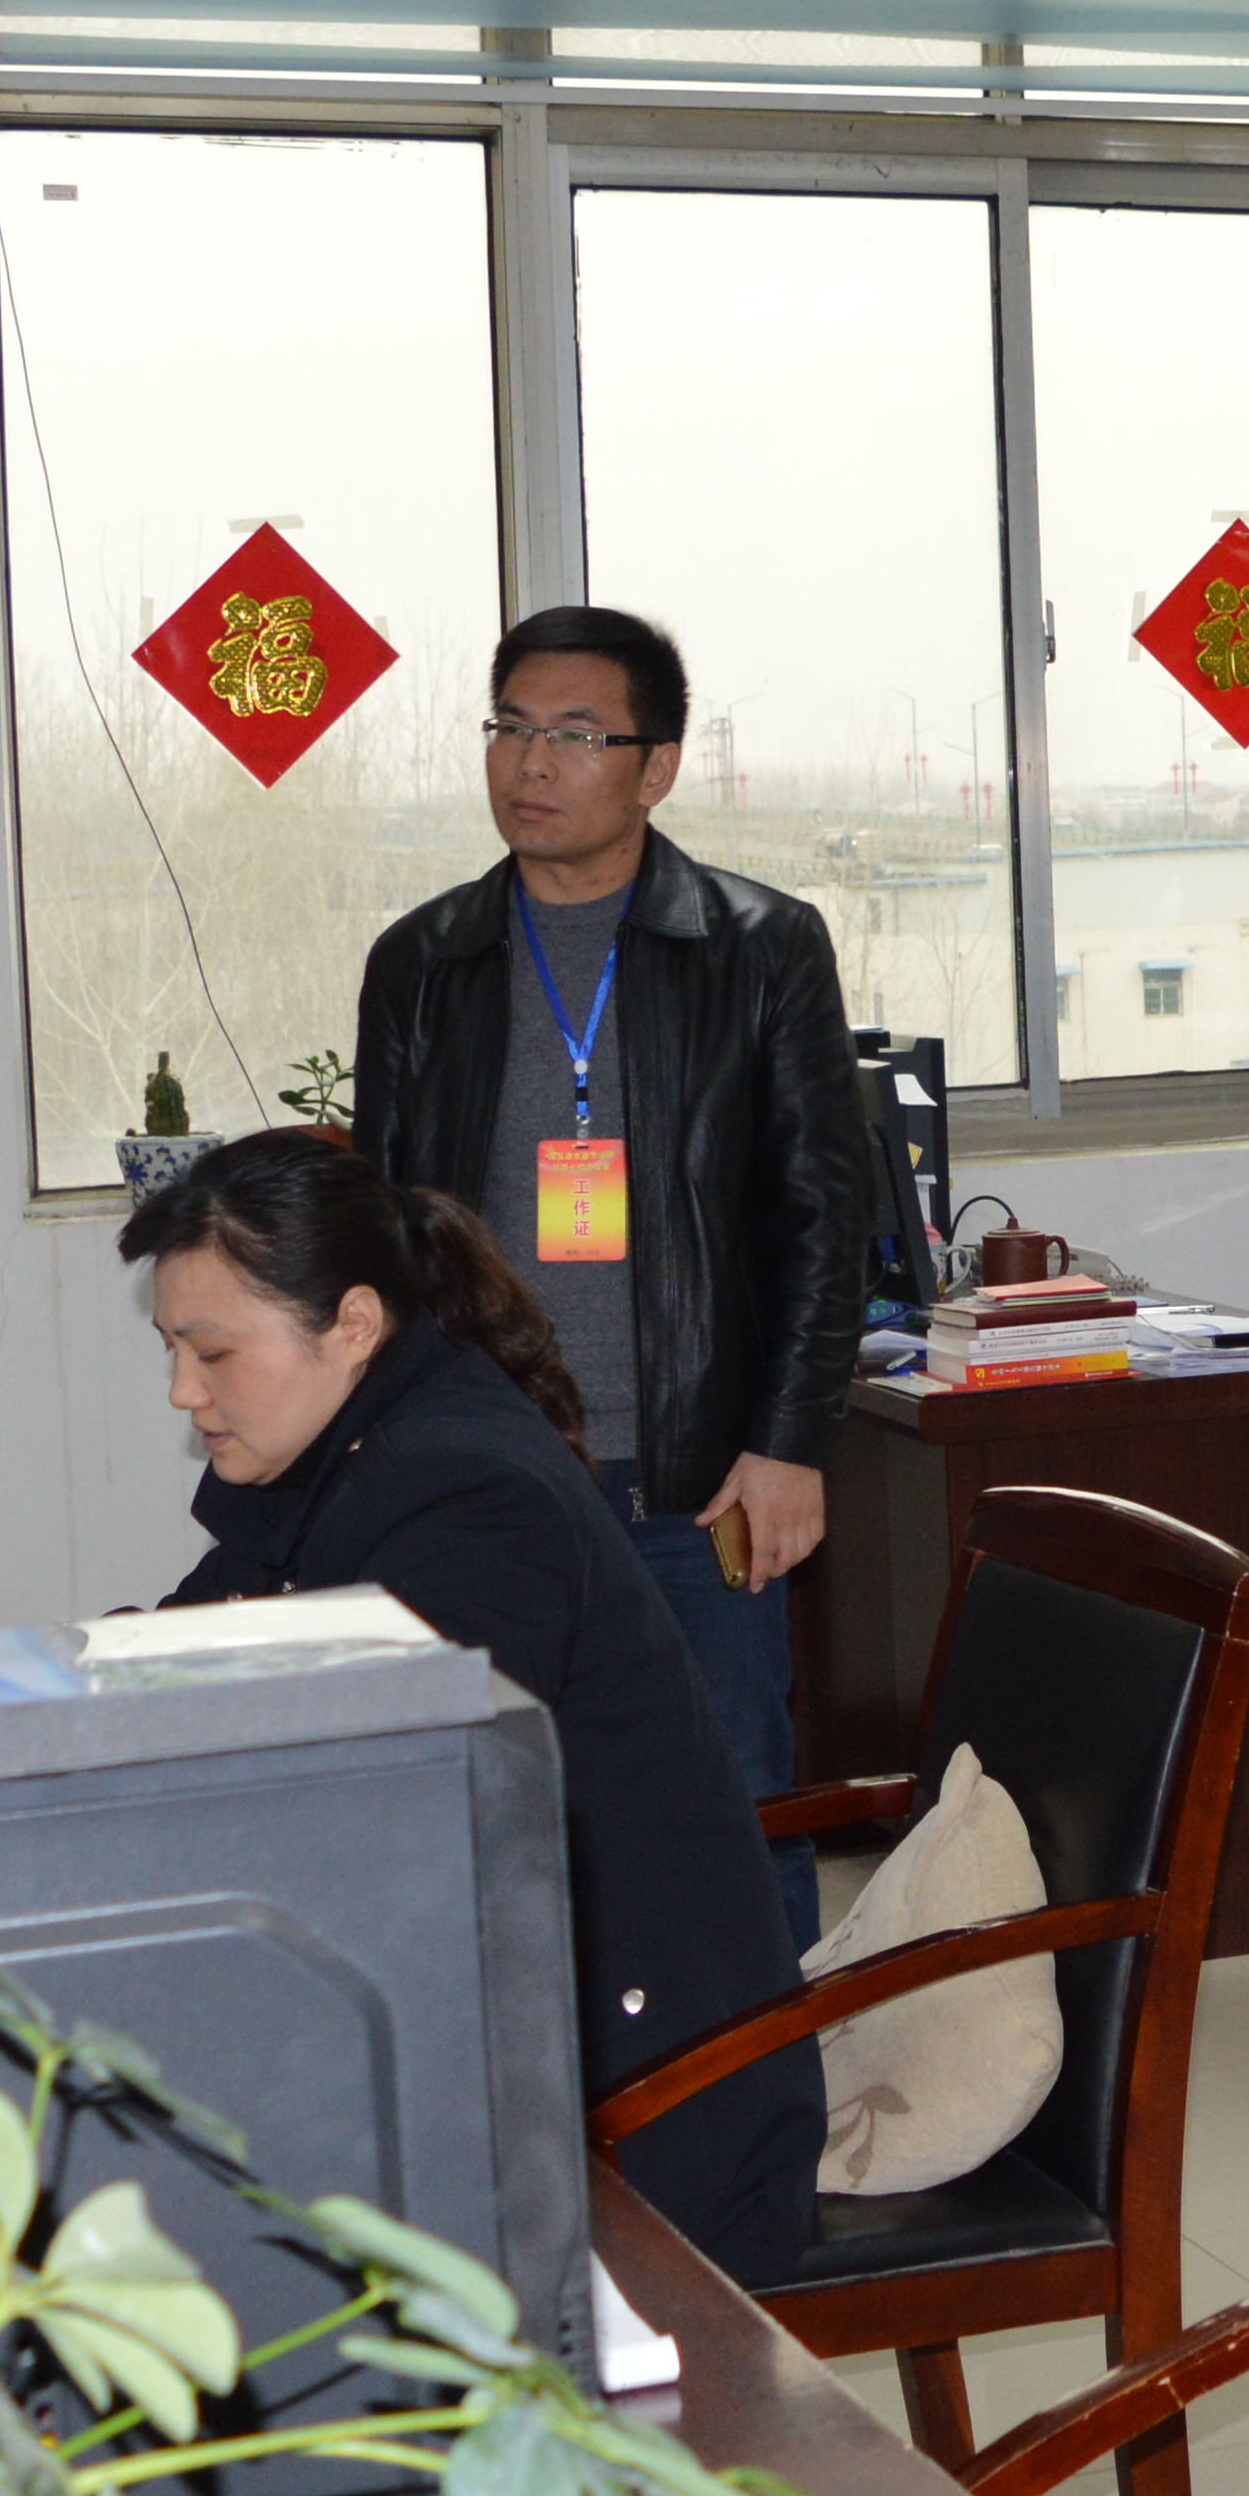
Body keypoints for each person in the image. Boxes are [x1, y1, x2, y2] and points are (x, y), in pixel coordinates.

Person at [135, 1127, 820, 2284]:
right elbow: (178, 1655)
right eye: (171, 1350)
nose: (182, 1391)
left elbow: (392, 1833)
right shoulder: (347, 1448)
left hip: (645, 2110)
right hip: (525, 2039)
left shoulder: (465, 1494)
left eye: (212, 1352)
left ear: (353, 1325)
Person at [351, 605, 862, 1951]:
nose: (532, 762)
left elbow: (822, 1216)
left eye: (575, 735)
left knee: (728, 1817)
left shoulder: (760, 948)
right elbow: (385, 1234)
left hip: (701, 1487)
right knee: (495, 1826)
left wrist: (790, 1445)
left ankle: (757, 2083)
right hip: (490, 1475)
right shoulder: (423, 963)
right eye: (510, 727)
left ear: (657, 767)